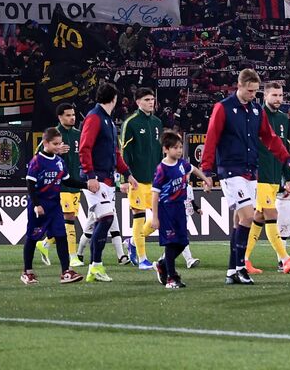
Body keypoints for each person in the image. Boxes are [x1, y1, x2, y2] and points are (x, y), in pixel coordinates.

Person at [200, 68, 290, 285]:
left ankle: (232, 271)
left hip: (251, 170)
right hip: (231, 170)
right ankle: (241, 267)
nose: (252, 95)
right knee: (248, 217)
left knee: (239, 220)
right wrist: (207, 170)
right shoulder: (223, 108)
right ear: (239, 86)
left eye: (255, 92)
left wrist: (287, 159)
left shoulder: (257, 110)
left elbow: (269, 138)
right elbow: (211, 137)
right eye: (250, 91)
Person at [20, 127, 95, 285]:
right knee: (33, 237)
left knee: (62, 237)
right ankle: (27, 271)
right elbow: (30, 184)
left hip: (54, 206)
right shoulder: (37, 161)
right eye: (55, 144)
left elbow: (67, 180)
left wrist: (86, 185)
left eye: (60, 143)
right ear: (45, 143)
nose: (58, 146)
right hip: (39, 205)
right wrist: (36, 204)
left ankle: (66, 271)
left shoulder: (59, 161)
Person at [245, 81, 290, 274]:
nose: (278, 99)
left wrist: (288, 178)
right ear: (265, 96)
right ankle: (285, 259)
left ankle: (244, 259)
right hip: (261, 174)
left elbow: (283, 148)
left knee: (259, 217)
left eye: (280, 95)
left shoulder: (284, 118)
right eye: (274, 95)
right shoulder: (256, 116)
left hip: (275, 176)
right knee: (271, 214)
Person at [78, 81, 131, 282]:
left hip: (106, 179)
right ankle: (95, 266)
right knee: (107, 218)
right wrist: (90, 175)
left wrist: (128, 173)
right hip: (96, 179)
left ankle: (95, 266)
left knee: (104, 220)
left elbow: (114, 153)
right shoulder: (95, 118)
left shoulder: (106, 120)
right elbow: (84, 148)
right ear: (115, 99)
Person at [149, 130, 206, 289]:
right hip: (166, 209)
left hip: (180, 208)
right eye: (175, 147)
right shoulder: (162, 169)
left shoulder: (182, 164)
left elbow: (193, 169)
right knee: (170, 242)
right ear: (166, 149)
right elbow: (155, 194)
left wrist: (206, 179)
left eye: (180, 147)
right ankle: (171, 278)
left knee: (182, 242)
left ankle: (162, 264)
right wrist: (155, 217)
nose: (179, 150)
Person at [121, 87, 162, 270]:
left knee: (156, 220)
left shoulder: (157, 122)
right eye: (146, 99)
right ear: (137, 102)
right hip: (136, 179)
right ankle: (142, 258)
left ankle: (132, 242)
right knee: (139, 216)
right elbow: (124, 153)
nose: (151, 102)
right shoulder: (131, 123)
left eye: (152, 99)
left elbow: (160, 151)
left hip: (155, 179)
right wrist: (125, 177)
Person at [45, 103, 83, 267]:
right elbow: (38, 156)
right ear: (60, 117)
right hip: (59, 186)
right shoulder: (53, 134)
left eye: (73, 114)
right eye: (68, 115)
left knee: (67, 219)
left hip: (75, 184)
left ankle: (45, 244)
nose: (72, 117)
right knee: (69, 219)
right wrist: (55, 151)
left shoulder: (78, 134)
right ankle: (72, 256)